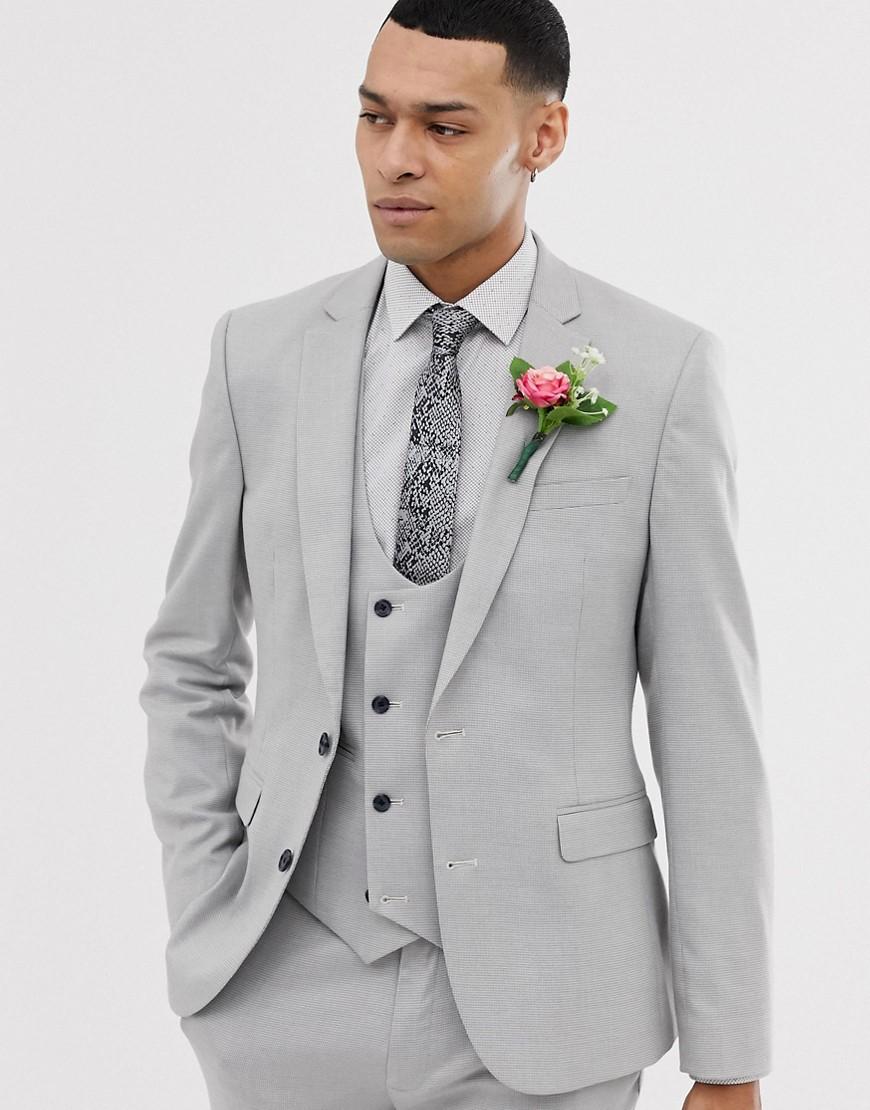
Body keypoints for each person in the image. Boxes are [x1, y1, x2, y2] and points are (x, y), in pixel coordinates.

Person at [138, 2, 773, 1107]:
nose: (395, 158)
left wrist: (729, 1059)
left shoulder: (658, 372)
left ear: (544, 136)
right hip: (285, 992)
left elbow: (707, 726)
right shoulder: (259, 353)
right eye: (374, 117)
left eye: (444, 127)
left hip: (552, 999)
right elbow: (192, 661)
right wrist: (207, 902)